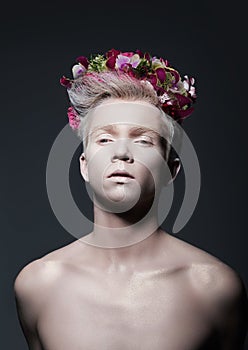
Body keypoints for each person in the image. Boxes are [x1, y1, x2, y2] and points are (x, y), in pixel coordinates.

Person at [14, 49, 247, 350]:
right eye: (105, 139)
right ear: (84, 165)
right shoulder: (37, 284)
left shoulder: (214, 288)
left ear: (170, 169)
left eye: (143, 140)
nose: (121, 153)